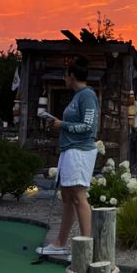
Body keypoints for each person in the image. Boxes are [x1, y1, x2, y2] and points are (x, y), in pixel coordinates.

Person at [36, 57, 100, 258]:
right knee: (67, 197)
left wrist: (61, 125)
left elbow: (88, 127)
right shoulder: (76, 96)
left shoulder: (87, 95)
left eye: (65, 76)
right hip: (69, 150)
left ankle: (86, 249)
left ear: (71, 76)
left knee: (79, 196)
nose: (64, 80)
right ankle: (59, 243)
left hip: (80, 151)